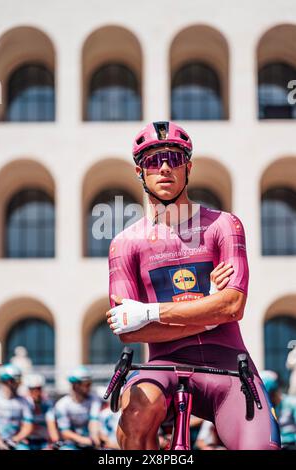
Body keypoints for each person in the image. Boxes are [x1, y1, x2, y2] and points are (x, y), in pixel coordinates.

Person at [106, 121, 281, 450]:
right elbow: (129, 332)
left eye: (173, 158)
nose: (163, 168)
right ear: (139, 172)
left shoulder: (223, 225)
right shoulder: (124, 244)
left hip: (229, 365)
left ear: (189, 166)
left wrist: (150, 312)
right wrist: (209, 312)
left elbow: (233, 306)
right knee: (136, 416)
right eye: (152, 160)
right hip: (161, 366)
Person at [54, 366, 106, 450]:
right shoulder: (62, 404)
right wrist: (83, 440)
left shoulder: (94, 399)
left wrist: (94, 439)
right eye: (86, 384)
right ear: (75, 385)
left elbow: (94, 422)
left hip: (91, 442)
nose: (90, 387)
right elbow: (65, 432)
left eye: (90, 383)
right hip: (71, 444)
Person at [0, 364, 33, 450]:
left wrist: (14, 440)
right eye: (17, 380)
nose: (19, 383)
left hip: (15, 442)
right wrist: (0, 443)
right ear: (8, 381)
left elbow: (28, 426)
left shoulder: (25, 401)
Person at [261, 370, 296, 448]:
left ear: (277, 392)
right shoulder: (266, 409)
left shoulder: (292, 403)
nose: (270, 400)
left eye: (272, 395)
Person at [24, 374, 59, 450]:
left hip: (44, 441)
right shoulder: (24, 403)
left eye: (38, 389)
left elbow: (51, 425)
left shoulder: (48, 404)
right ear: (29, 390)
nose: (36, 392)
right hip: (27, 441)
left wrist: (55, 442)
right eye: (33, 389)